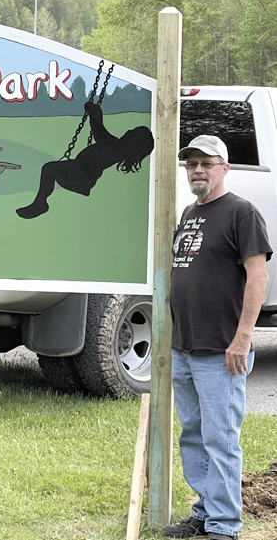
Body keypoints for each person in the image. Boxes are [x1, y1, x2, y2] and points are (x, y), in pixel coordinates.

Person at [166, 135, 271, 540]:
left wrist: (243, 338)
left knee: (221, 438)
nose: (197, 170)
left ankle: (224, 527)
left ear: (224, 168)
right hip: (185, 348)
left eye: (206, 163)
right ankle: (206, 511)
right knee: (193, 435)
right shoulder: (191, 212)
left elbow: (258, 276)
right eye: (191, 163)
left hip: (222, 350)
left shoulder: (241, 213)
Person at [16, 100, 154, 219]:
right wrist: (95, 114)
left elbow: (100, 133)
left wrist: (96, 114)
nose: (128, 132)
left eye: (132, 133)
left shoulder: (117, 148)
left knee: (49, 169)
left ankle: (40, 203)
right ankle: (40, 202)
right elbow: (101, 134)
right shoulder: (118, 147)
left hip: (81, 175)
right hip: (79, 171)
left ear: (134, 141)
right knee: (50, 168)